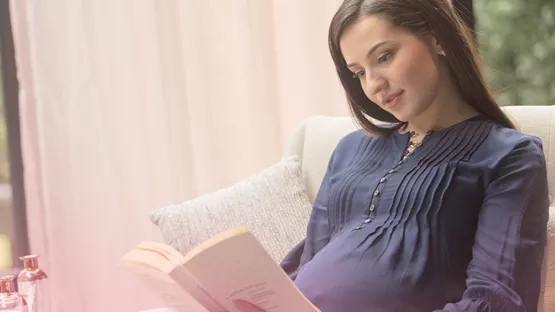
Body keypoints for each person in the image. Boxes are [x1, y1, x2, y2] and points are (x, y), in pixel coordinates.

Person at [237, 0, 549, 311]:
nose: (373, 85)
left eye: (384, 57)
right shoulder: (348, 150)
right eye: (359, 72)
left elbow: (498, 300)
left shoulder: (508, 157)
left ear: (437, 37)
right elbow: (310, 264)